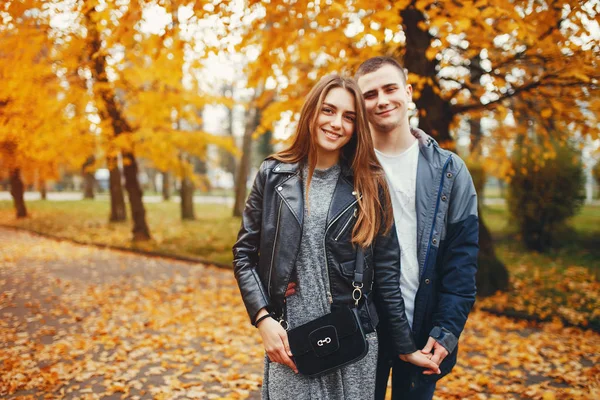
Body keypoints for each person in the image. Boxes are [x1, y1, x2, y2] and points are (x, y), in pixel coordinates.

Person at [233, 74, 440, 400]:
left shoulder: (372, 184)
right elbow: (244, 254)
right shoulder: (274, 175)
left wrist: (404, 346)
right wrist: (263, 319)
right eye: (328, 110)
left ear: (358, 127)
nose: (336, 123)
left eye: (349, 117)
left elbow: (386, 272)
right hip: (291, 342)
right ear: (312, 112)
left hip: (352, 342)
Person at [353, 57, 479, 400]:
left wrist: (447, 330)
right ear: (359, 104)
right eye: (370, 94)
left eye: (390, 88)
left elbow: (462, 261)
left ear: (408, 93)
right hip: (364, 329)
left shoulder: (450, 171)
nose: (382, 100)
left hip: (424, 328)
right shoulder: (347, 169)